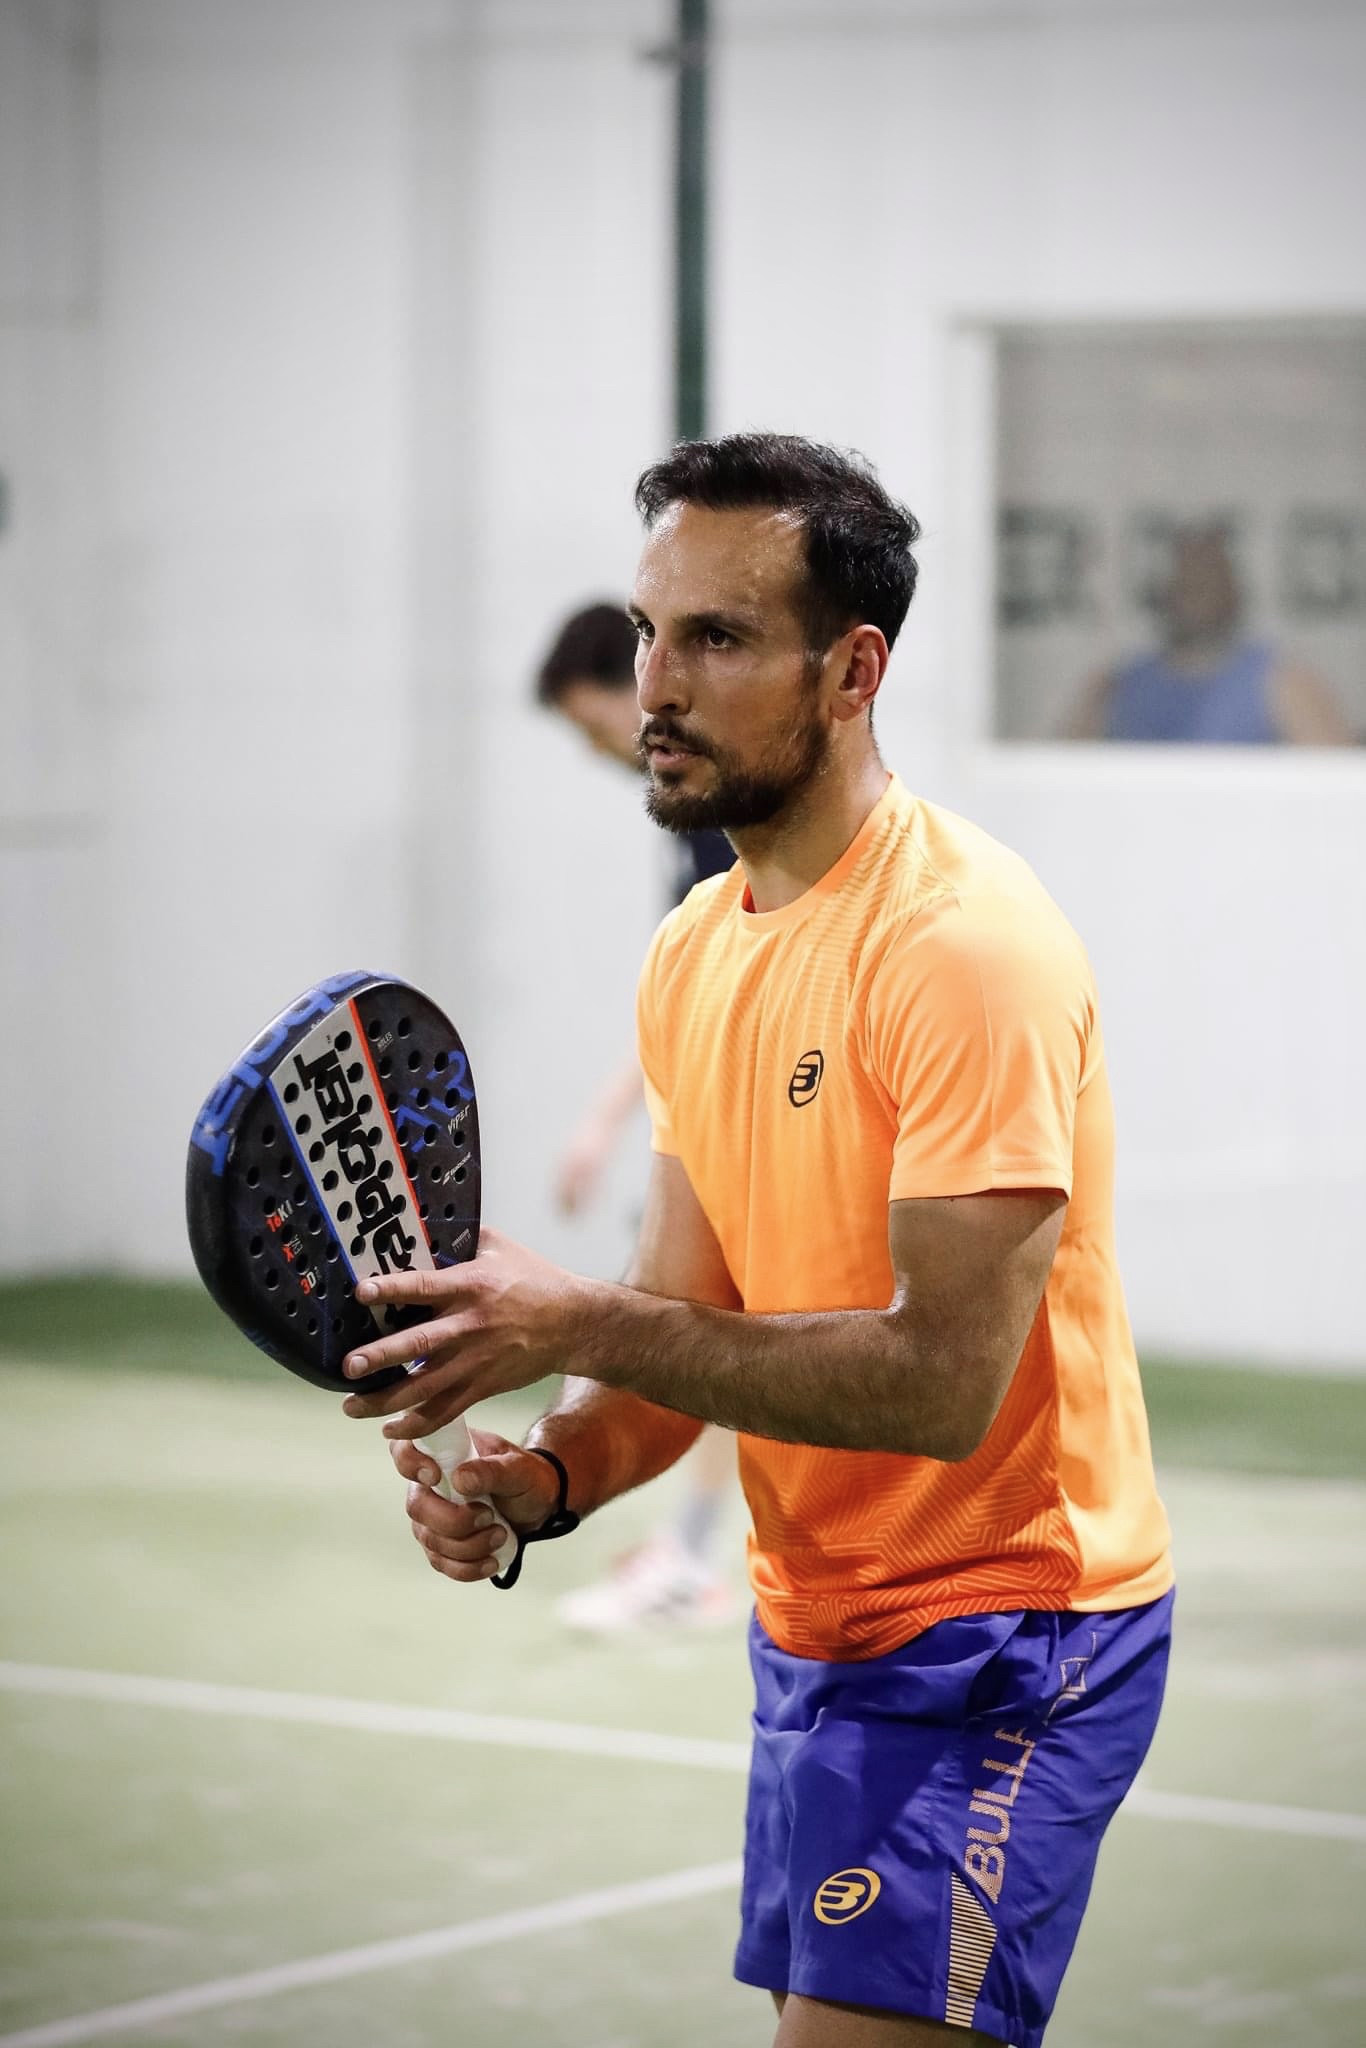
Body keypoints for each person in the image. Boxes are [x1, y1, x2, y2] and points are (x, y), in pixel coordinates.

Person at [342, 432, 1175, 2048]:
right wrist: (548, 1479)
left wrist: (573, 1319)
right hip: (812, 1632)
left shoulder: (963, 948)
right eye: (648, 630)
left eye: (716, 637)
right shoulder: (693, 952)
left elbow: (938, 1383)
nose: (657, 684)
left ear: (851, 670)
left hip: (1004, 1633)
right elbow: (681, 1319)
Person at [534, 602, 739, 1632]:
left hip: (752, 1109)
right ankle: (689, 1549)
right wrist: (607, 1120)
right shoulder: (696, 821)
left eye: (589, 724)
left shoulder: (723, 807)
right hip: (723, 1101)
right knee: (714, 1326)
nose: (596, 750)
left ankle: (688, 1559)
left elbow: (710, 996)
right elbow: (684, 997)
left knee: (702, 1326)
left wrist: (609, 1122)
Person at [1066, 523, 1351, 743]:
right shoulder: (1117, 687)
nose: (1196, 596)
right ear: (1164, 591)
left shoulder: (1282, 684)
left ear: (1234, 594)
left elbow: (1336, 781)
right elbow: (1064, 772)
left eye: (1208, 581)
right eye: (1186, 581)